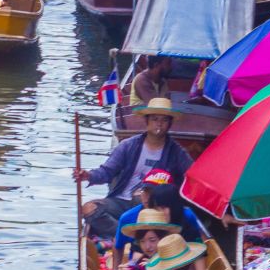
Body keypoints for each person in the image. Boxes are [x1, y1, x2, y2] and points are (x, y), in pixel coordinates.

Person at [74, 97, 193, 238]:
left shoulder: (176, 152)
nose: (159, 124)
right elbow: (107, 171)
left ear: (169, 124)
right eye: (155, 119)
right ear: (147, 121)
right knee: (89, 209)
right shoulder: (128, 146)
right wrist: (88, 175)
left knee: (143, 197)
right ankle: (129, 237)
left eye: (164, 120)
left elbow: (192, 178)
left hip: (152, 206)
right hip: (121, 201)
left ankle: (133, 236)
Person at [114, 176, 204, 268]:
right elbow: (136, 254)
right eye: (156, 208)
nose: (159, 212)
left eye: (163, 208)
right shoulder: (146, 226)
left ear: (174, 207)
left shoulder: (188, 226)